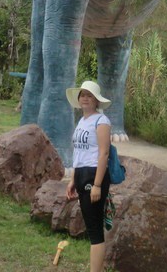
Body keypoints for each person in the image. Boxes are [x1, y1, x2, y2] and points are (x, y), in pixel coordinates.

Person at [65, 80, 111, 272]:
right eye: (82, 94)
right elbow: (79, 153)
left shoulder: (102, 121)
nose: (85, 98)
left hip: (95, 175)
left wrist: (97, 185)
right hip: (82, 173)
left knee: (94, 230)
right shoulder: (82, 121)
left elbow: (103, 153)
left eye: (89, 95)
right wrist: (73, 180)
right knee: (92, 226)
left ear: (96, 101)